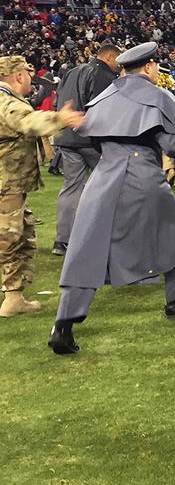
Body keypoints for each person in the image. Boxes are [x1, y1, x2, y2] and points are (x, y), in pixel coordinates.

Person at [47, 42, 175, 354]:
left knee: (86, 248)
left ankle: (62, 325)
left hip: (103, 176)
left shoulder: (103, 96)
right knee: (170, 238)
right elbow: (174, 144)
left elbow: (93, 137)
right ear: (150, 67)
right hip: (143, 177)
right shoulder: (158, 96)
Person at [0, 55, 84, 318]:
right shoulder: (8, 103)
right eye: (27, 73)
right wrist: (61, 119)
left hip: (10, 182)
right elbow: (29, 122)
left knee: (20, 234)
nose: (30, 79)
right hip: (7, 183)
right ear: (19, 76)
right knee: (10, 238)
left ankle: (15, 297)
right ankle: (12, 299)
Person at [52, 42, 121, 256]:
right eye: (117, 61)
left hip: (67, 138)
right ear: (109, 57)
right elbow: (103, 111)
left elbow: (59, 104)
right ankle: (115, 237)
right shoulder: (104, 76)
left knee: (71, 189)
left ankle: (63, 241)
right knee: (113, 187)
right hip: (92, 141)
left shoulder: (71, 72)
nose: (119, 66)